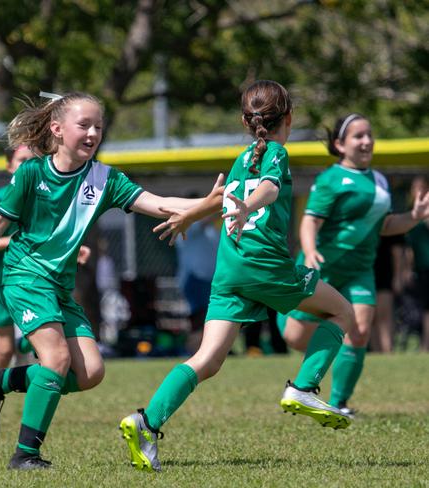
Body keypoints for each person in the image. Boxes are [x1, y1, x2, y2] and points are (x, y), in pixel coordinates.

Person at [0, 91, 225, 470]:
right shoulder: (32, 173)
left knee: (90, 373)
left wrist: (208, 204)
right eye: (85, 125)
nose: (93, 132)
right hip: (25, 277)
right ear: (57, 129)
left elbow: (156, 202)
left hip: (59, 287)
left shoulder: (104, 178)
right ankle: (25, 454)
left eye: (98, 126)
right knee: (56, 358)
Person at [119, 80, 357, 473]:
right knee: (343, 313)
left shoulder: (240, 158)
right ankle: (304, 387)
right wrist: (247, 205)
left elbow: (221, 197)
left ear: (244, 122)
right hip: (264, 264)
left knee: (208, 359)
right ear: (289, 119)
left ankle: (145, 422)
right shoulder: (276, 152)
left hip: (229, 268)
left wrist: (191, 215)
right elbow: (267, 188)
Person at [277, 114, 429, 416]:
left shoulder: (380, 181)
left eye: (369, 135)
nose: (367, 141)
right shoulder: (331, 179)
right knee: (294, 337)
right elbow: (310, 221)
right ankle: (317, 364)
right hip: (323, 267)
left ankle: (339, 402)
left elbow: (384, 225)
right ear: (339, 144)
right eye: (358, 136)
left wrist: (414, 216)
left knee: (359, 332)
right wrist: (308, 251)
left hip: (360, 271)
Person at [0, 144, 91, 428]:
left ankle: (17, 389)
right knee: (4, 350)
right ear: (10, 166)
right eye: (21, 159)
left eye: (31, 159)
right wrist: (21, 242)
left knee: (46, 351)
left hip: (42, 283)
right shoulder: (0, 198)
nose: (27, 164)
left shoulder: (45, 193)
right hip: (5, 282)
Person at [174, 212, 219, 352]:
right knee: (200, 320)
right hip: (194, 279)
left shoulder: (212, 230)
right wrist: (221, 208)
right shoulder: (185, 226)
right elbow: (205, 219)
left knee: (211, 318)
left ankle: (208, 350)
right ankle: (193, 351)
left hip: (209, 280)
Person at [406, 176, 429, 351]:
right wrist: (405, 270)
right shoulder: (410, 217)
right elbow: (407, 248)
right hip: (422, 269)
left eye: (423, 188)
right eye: (416, 188)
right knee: (424, 308)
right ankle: (425, 344)